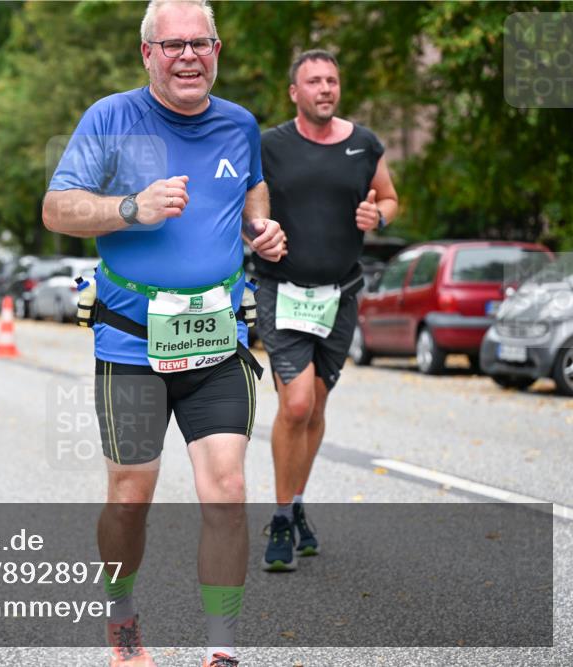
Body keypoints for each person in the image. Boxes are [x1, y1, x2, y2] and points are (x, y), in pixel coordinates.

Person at [43, 2, 286, 665]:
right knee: (130, 496)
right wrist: (132, 207)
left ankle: (222, 649)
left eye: (200, 43)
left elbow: (252, 190)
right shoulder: (111, 118)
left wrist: (259, 228)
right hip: (131, 344)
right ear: (147, 53)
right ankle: (122, 618)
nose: (188, 56)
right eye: (173, 45)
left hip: (216, 339)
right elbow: (57, 208)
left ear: (217, 51)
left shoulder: (239, 124)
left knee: (227, 490)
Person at [255, 49, 399, 571]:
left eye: (331, 80)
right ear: (294, 92)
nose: (325, 89)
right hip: (282, 289)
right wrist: (255, 232)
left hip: (340, 295)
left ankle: (295, 504)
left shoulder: (364, 144)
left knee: (315, 407)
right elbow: (247, 202)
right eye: (314, 81)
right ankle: (279, 518)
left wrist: (378, 216)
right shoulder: (269, 146)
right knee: (295, 405)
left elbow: (389, 197)